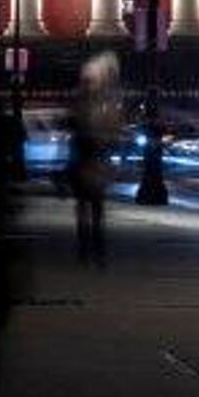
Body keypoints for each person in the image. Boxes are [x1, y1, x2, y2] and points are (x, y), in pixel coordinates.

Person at [68, 51, 121, 265]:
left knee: (88, 207)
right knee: (93, 207)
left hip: (88, 158)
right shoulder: (100, 103)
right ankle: (94, 252)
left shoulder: (83, 102)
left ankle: (89, 251)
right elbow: (112, 131)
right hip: (91, 158)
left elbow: (73, 129)